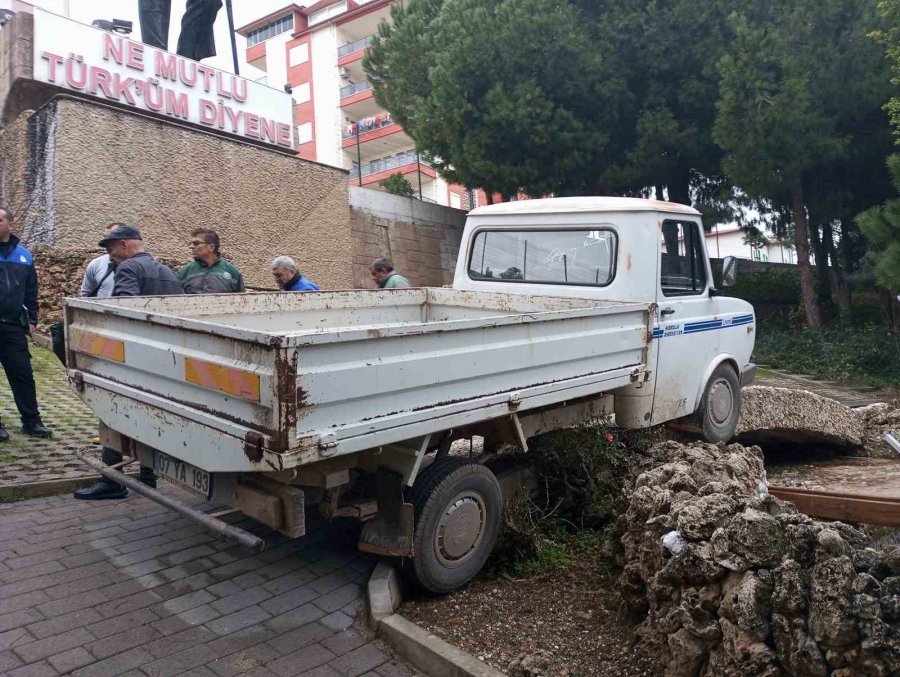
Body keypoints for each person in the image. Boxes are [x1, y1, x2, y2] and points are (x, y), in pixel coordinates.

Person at [74, 224, 184, 500]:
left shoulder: (128, 269)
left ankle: (112, 482)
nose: (109, 256)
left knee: (113, 412)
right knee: (149, 418)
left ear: (125, 244)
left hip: (133, 360)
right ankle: (148, 478)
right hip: (163, 360)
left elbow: (126, 312)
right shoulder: (166, 272)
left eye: (111, 249)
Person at [0, 207, 51, 442]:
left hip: (13, 327)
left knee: (23, 375)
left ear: (11, 224)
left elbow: (31, 292)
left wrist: (31, 319)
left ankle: (31, 422)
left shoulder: (24, 255)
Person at [178, 228, 245, 294]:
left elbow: (241, 300)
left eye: (196, 243)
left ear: (211, 247)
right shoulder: (184, 272)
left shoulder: (232, 272)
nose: (191, 247)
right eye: (191, 243)